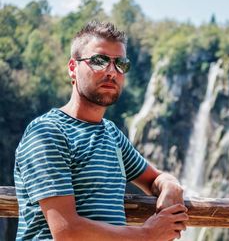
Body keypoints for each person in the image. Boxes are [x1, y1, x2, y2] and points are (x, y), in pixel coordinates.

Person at [14, 20, 188, 240]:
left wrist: (171, 185)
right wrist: (147, 234)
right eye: (99, 61)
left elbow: (154, 178)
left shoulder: (111, 133)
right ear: (72, 69)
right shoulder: (47, 132)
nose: (111, 72)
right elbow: (67, 232)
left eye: (120, 64)